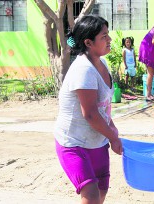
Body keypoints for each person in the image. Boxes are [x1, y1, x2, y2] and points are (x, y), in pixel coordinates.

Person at [55, 15, 122, 203]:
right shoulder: (83, 69)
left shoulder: (102, 63)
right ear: (88, 42)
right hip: (73, 143)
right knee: (91, 194)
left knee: (101, 190)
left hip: (96, 141)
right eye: (104, 36)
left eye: (108, 34)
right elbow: (91, 114)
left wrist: (112, 130)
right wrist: (113, 137)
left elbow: (104, 108)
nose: (109, 40)